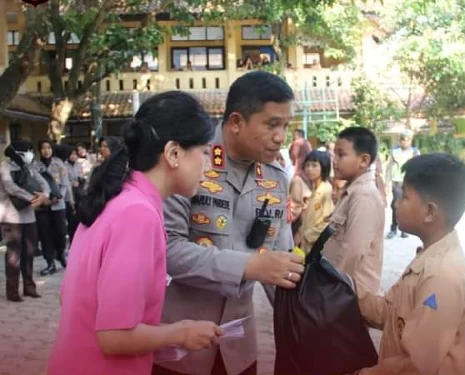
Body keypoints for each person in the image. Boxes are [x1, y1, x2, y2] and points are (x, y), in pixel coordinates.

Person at [47, 91, 224, 375]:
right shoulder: (137, 215)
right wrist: (181, 332)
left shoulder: (116, 198)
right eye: (205, 152)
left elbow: (69, 298)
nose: (210, 165)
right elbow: (114, 337)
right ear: (173, 153)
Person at [154, 71, 305, 375]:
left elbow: (281, 263)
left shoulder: (276, 178)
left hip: (239, 350)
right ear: (236, 122)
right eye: (272, 124)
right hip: (181, 346)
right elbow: (166, 251)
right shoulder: (188, 161)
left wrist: (308, 321)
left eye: (285, 126)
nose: (281, 137)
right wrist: (249, 266)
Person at [354, 153, 465, 375]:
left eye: (404, 196)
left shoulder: (442, 276)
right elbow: (389, 313)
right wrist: (344, 294)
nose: (396, 203)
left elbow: (414, 366)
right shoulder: (428, 258)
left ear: (429, 212)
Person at [322, 127, 385, 295]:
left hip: (348, 293)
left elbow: (352, 253)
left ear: (364, 160)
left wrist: (329, 289)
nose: (334, 161)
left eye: (341, 155)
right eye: (334, 154)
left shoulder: (364, 196)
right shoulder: (352, 191)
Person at [0, 140, 50, 302]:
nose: (31, 154)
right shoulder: (5, 167)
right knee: (14, 255)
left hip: (29, 217)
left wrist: (45, 196)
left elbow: (43, 182)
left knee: (29, 253)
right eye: (28, 151)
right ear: (20, 153)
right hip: (11, 217)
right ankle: (12, 291)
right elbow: (10, 187)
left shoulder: (29, 167)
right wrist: (32, 198)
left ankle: (29, 288)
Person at [33, 140, 69, 276]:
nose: (46, 150)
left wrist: (59, 198)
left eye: (48, 148)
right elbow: (33, 184)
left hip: (58, 206)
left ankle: (60, 255)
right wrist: (44, 199)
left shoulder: (59, 163)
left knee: (60, 233)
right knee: (45, 235)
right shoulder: (35, 166)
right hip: (42, 206)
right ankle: (50, 263)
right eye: (43, 148)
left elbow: (65, 185)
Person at [297, 150, 334, 253]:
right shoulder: (315, 189)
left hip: (315, 248)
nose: (309, 169)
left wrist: (306, 236)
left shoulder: (326, 191)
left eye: (314, 165)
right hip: (306, 246)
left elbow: (327, 223)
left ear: (324, 167)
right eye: (307, 165)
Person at [385, 131, 420, 239]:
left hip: (409, 183)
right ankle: (393, 228)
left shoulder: (415, 152)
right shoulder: (395, 152)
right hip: (397, 182)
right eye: (403, 140)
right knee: (396, 205)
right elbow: (389, 168)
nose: (405, 142)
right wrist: (387, 183)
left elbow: (419, 168)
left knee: (407, 206)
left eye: (407, 140)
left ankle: (404, 229)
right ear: (400, 141)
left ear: (410, 140)